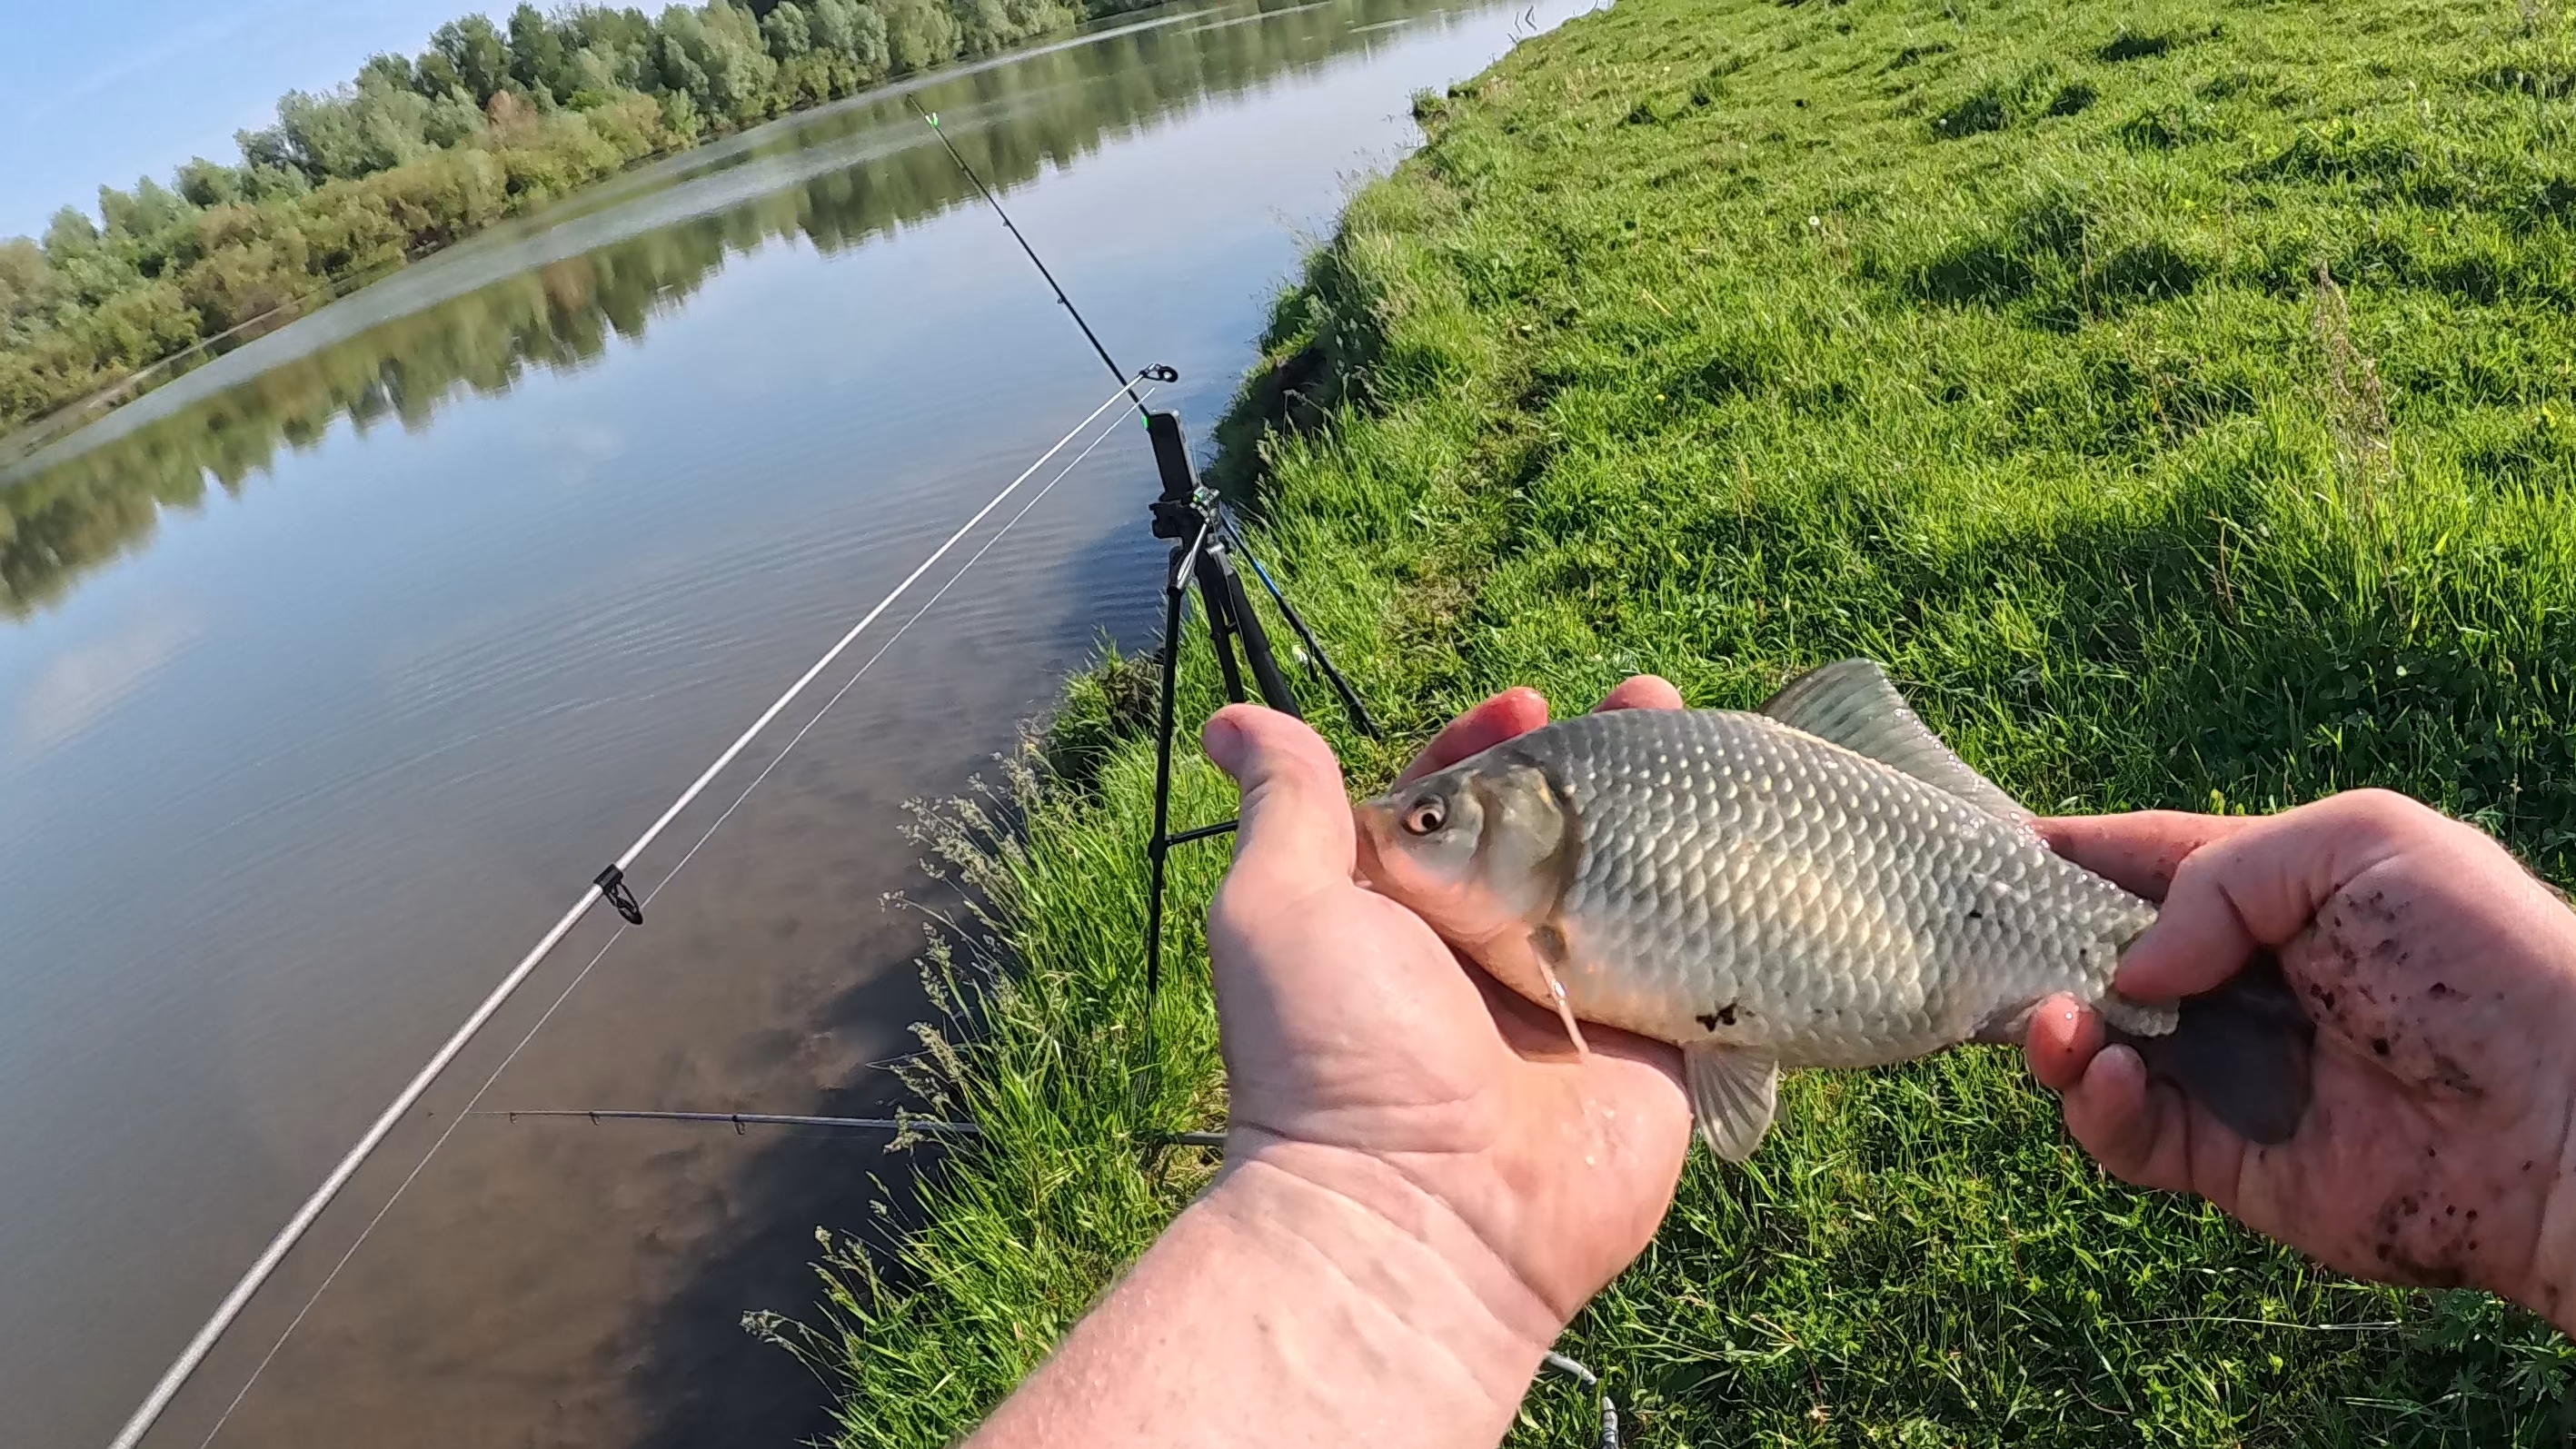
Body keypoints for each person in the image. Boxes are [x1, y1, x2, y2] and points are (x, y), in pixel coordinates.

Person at [965, 680, 2576, 1448]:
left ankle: (2241, 1024)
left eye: (1430, 826)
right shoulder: (1536, 903)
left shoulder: (1579, 866)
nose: (1397, 847)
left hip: (1930, 934)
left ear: (1536, 835)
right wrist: (1373, 1210)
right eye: (1410, 829)